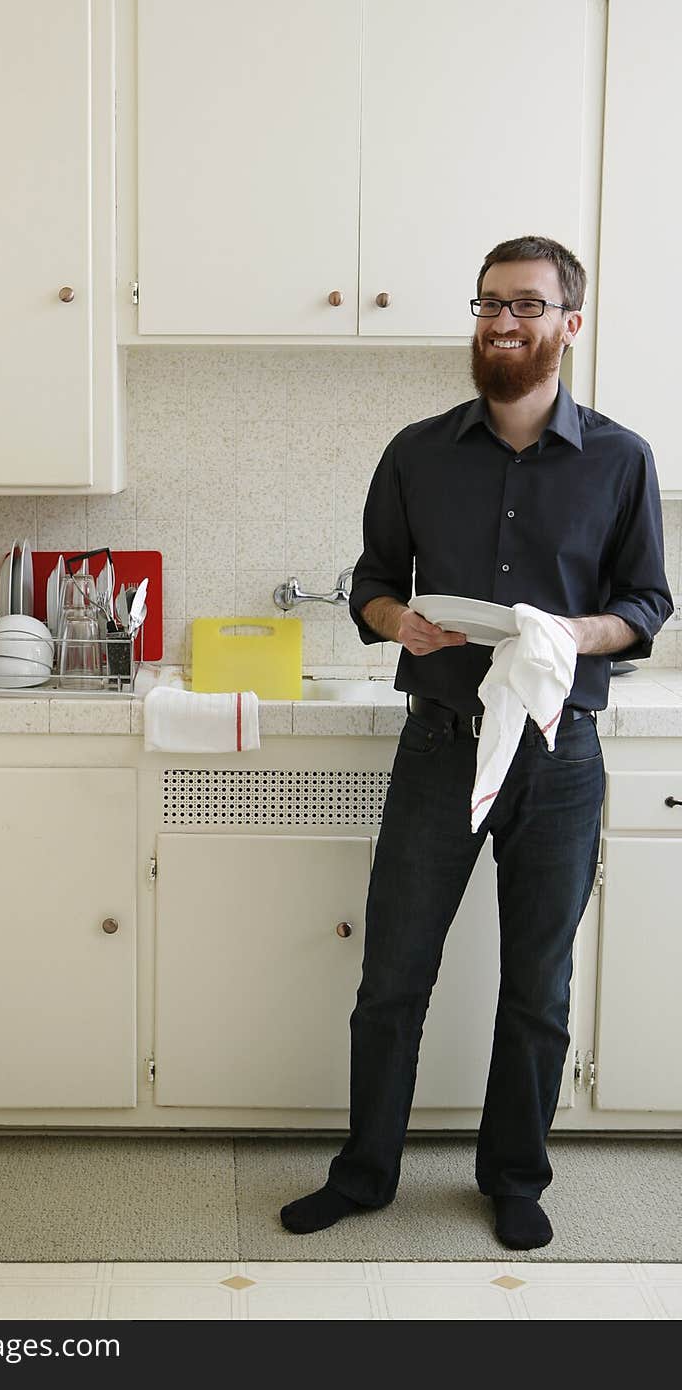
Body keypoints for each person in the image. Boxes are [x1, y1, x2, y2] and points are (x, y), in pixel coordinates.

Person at [280, 235, 673, 1250]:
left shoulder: (622, 459)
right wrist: (392, 620)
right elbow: (368, 580)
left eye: (526, 306)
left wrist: (570, 634)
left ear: (567, 325)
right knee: (394, 973)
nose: (501, 322)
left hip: (558, 749)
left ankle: (513, 1178)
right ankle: (364, 1174)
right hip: (439, 745)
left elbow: (645, 603)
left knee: (536, 984)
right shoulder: (416, 451)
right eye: (489, 303)